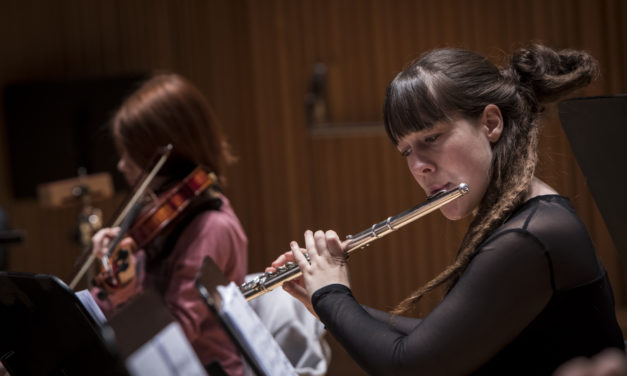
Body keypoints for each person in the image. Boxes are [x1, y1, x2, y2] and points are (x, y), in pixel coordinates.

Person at [269, 44, 625, 375]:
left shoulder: (532, 236)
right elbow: (440, 340)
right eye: (406, 150)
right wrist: (325, 303)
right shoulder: (527, 219)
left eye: (431, 138)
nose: (418, 166)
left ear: (490, 123)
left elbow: (410, 366)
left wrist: (332, 294)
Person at [89, 73, 248, 375]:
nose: (122, 165)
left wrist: (124, 294)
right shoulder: (155, 216)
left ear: (168, 154)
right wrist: (107, 279)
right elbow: (112, 310)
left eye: (131, 153)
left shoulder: (211, 227)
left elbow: (176, 335)